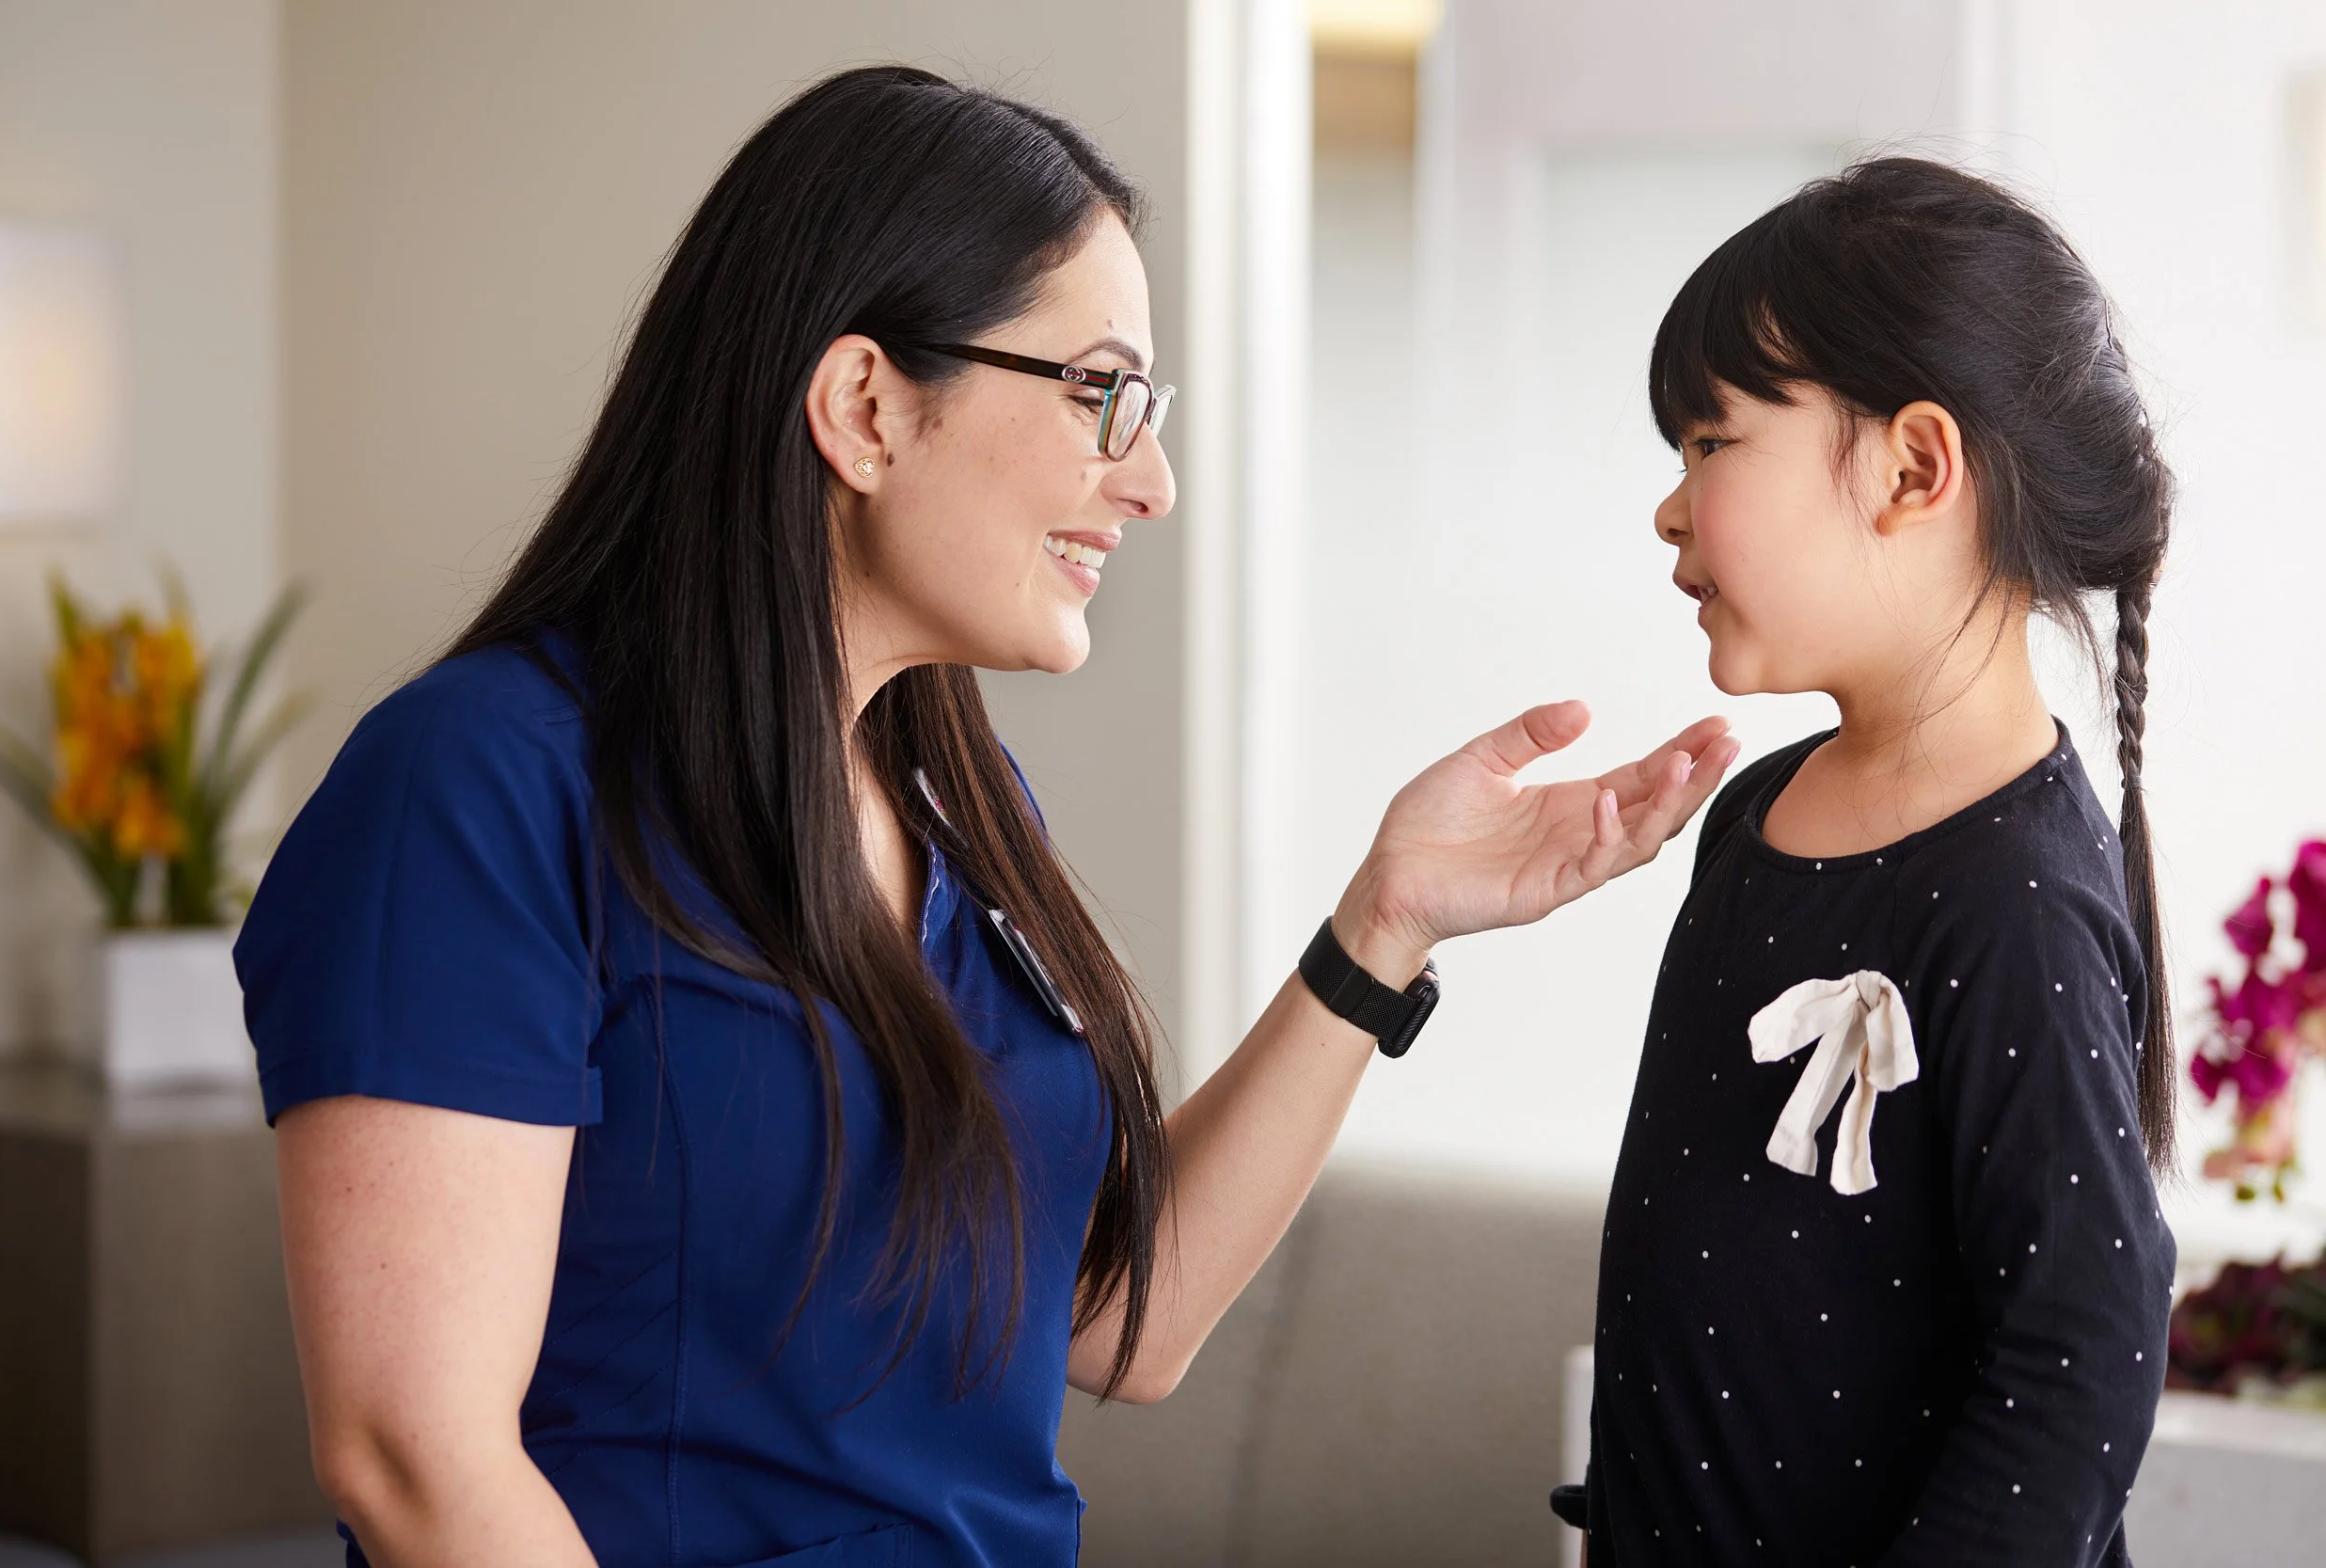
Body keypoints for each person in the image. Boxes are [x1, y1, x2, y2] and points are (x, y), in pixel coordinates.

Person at [237, 67, 1738, 1568]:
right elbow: (414, 1459)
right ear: (867, 407)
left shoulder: (952, 800)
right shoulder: (480, 786)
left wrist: (1385, 925)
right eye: (1103, 393)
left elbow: (1116, 1322)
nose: (1149, 479)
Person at [1570, 158, 2177, 1565]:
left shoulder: (2011, 893)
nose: (1672, 507)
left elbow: (2082, 1347)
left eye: (1712, 443)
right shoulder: (1758, 812)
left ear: (1913, 467)